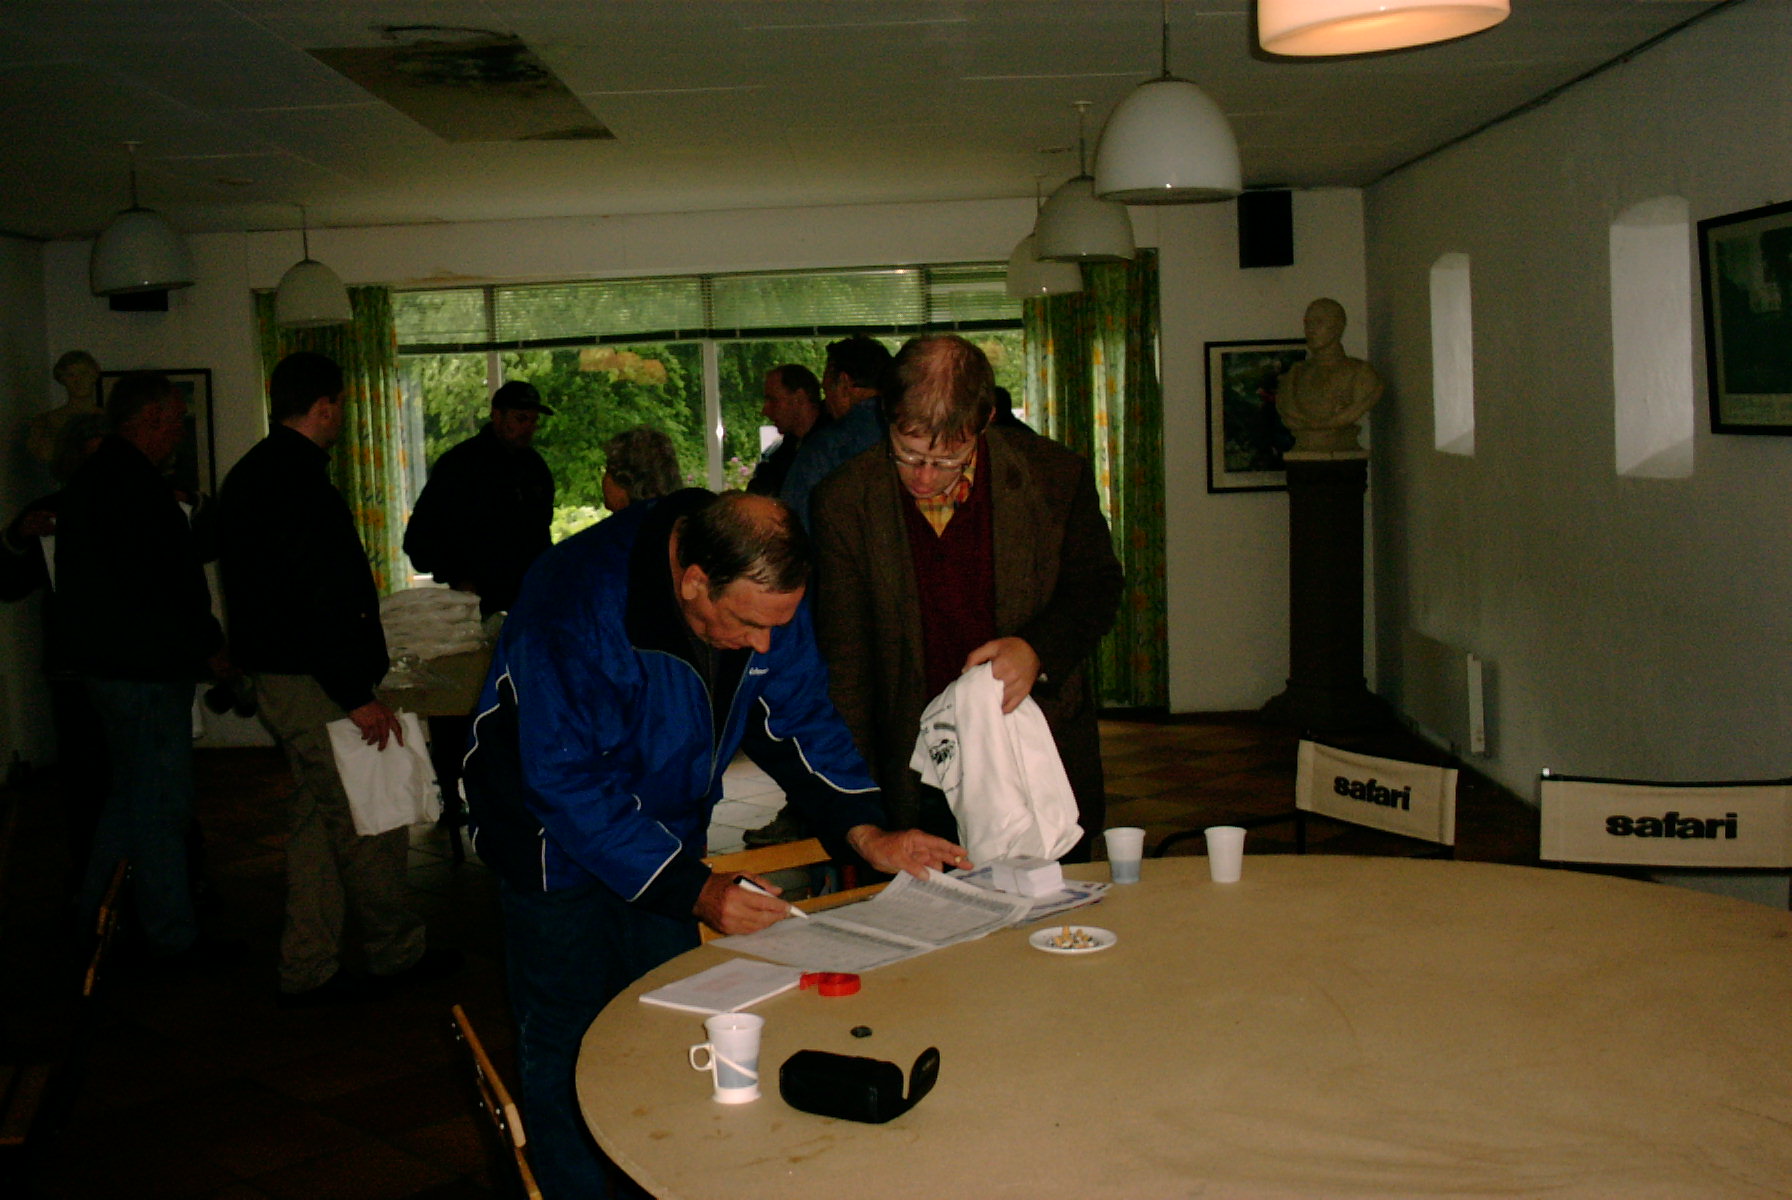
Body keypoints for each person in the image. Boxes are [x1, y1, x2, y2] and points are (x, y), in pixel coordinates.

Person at [462, 488, 967, 1200]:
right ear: (693, 581)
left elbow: (798, 715)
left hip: (667, 826)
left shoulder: (765, 586)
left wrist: (868, 831)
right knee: (568, 1037)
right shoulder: (572, 600)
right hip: (546, 838)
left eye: (776, 626)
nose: (764, 645)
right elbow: (565, 780)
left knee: (668, 1019)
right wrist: (695, 890)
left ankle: (662, 1179)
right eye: (750, 625)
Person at [811, 334, 1123, 860]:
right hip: (915, 764)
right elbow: (847, 664)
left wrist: (1037, 649)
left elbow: (1097, 586)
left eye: (948, 459)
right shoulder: (843, 501)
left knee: (1049, 905)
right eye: (908, 454)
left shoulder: (1054, 477)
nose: (924, 478)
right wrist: (861, 810)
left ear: (985, 422)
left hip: (1035, 759)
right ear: (886, 416)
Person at [219, 351, 457, 1007]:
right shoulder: (296, 483)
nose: (343, 417)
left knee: (317, 823)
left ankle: (307, 963)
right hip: (313, 682)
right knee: (367, 824)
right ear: (325, 407)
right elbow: (314, 599)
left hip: (286, 675)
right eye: (342, 406)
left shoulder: (252, 473)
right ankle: (395, 952)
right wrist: (356, 695)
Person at [53, 374, 224, 960]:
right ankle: (171, 936)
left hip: (109, 666)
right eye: (175, 419)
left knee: (130, 798)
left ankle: (92, 919)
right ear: (149, 419)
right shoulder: (137, 487)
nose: (179, 430)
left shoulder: (93, 481)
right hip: (143, 669)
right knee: (160, 807)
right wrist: (210, 644)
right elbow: (171, 583)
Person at [404, 380, 555, 618]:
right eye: (521, 419)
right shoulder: (460, 466)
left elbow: (540, 533)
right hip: (476, 601)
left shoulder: (535, 469)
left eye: (533, 421)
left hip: (530, 598)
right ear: (497, 416)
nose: (528, 428)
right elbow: (421, 538)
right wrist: (458, 577)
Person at [777, 335, 892, 529]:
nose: (826, 403)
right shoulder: (910, 437)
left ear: (844, 384)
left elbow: (792, 525)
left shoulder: (823, 450)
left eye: (827, 390)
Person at [1275, 297, 1384, 455]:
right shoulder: (1295, 375)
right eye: (1307, 323)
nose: (1310, 329)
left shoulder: (1361, 373)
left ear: (1338, 327)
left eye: (1318, 322)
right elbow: (1288, 411)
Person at [746, 364, 823, 496]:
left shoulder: (832, 448)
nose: (765, 411)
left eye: (773, 400)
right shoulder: (780, 454)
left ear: (799, 398)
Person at [25, 350, 104, 480]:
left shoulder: (111, 419)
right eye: (71, 375)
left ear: (94, 375)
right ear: (62, 379)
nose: (79, 381)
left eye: (84, 373)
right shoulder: (44, 422)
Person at [600, 425, 682, 513]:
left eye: (607, 469)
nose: (604, 478)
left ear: (623, 479)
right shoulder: (678, 516)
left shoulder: (626, 520)